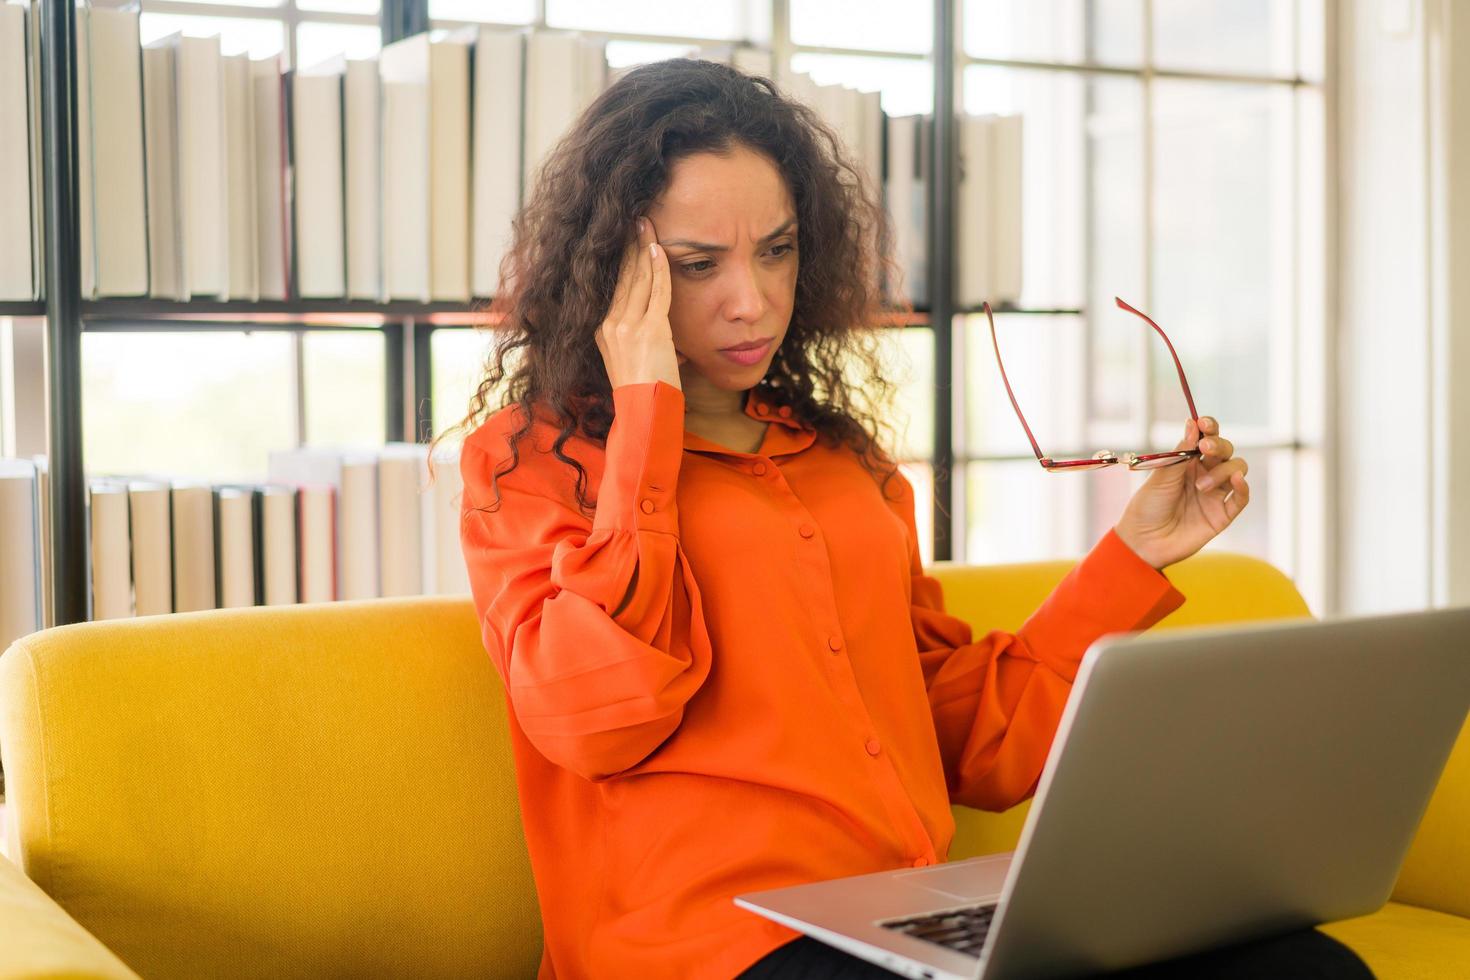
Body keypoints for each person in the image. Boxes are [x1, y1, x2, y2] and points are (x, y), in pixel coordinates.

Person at [445, 59, 1365, 980]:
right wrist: (645, 412)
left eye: (777, 249)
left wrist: (1135, 553)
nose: (752, 300)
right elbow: (594, 722)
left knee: (1306, 966)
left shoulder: (848, 464)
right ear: (614, 273)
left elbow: (966, 744)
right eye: (696, 266)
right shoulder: (529, 460)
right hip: (717, 950)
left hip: (898, 920)